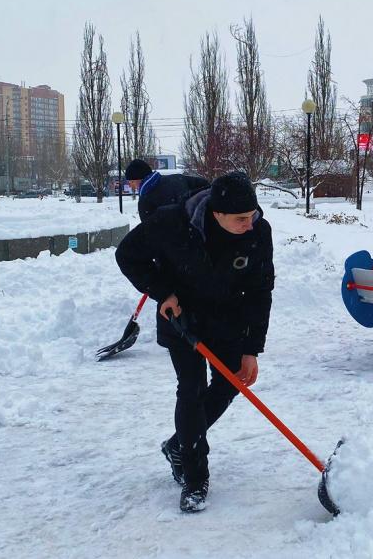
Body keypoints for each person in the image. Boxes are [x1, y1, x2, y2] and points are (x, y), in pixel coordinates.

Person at [115, 171, 275, 513]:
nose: (251, 223)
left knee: (231, 380)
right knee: (190, 388)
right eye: (241, 219)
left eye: (253, 215)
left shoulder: (258, 232)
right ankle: (194, 476)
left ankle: (179, 444)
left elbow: (261, 292)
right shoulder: (172, 223)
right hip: (182, 317)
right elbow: (127, 255)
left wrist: (251, 349)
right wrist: (163, 293)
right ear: (217, 214)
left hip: (226, 318)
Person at [124, 159, 210, 221]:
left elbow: (149, 231)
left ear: (141, 178)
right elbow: (206, 185)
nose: (130, 185)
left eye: (131, 181)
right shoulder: (176, 178)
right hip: (194, 234)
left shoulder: (145, 200)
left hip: (175, 241)